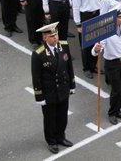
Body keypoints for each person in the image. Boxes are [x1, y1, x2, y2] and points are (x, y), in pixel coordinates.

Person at [31, 22, 75, 154]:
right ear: (45, 38)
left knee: (62, 116)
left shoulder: (64, 46)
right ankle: (51, 141)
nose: (55, 38)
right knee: (50, 118)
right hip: (49, 92)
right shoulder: (38, 54)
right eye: (51, 36)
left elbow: (69, 68)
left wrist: (72, 85)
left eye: (56, 35)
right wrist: (39, 96)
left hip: (63, 89)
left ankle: (61, 137)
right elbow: (36, 77)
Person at [92, 9, 121, 125]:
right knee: (116, 89)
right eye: (118, 17)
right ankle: (112, 113)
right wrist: (96, 49)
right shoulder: (106, 31)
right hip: (112, 63)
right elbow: (97, 48)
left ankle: (118, 109)